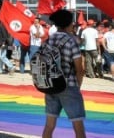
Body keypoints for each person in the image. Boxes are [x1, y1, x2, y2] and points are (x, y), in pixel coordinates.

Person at [43, 9, 86, 138]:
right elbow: (80, 69)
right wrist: (77, 85)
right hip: (69, 85)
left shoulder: (48, 41)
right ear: (69, 23)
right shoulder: (71, 41)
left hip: (50, 85)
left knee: (49, 125)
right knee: (78, 126)